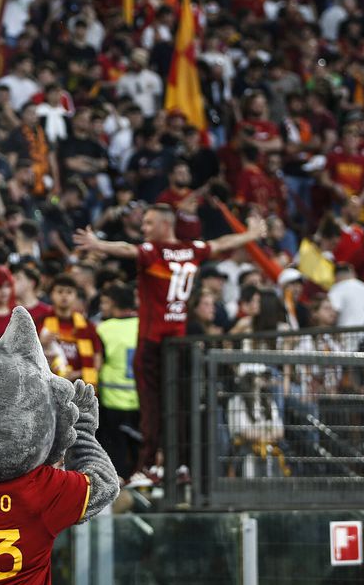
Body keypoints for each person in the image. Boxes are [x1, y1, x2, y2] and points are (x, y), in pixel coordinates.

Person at [76, 203, 266, 485]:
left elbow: (128, 250)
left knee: (152, 409)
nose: (144, 229)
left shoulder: (154, 252)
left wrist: (97, 244)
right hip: (179, 344)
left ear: (166, 225)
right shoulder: (191, 250)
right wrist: (251, 235)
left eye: (149, 224)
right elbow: (221, 243)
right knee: (178, 407)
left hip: (152, 343)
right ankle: (180, 466)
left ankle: (149, 466)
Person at [92, 282, 141, 479]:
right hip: (140, 402)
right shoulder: (143, 326)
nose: (102, 307)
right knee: (137, 456)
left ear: (114, 304)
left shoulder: (104, 329)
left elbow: (98, 363)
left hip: (112, 402)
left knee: (115, 458)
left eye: (104, 302)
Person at [39, 274, 99, 384]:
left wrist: (77, 374)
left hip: (79, 388)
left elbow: (97, 359)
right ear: (51, 295)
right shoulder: (40, 322)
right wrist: (40, 343)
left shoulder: (88, 326)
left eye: (69, 292)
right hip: (48, 385)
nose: (64, 296)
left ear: (75, 296)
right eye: (60, 291)